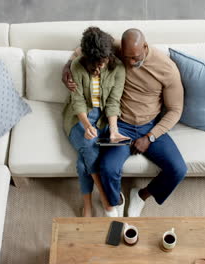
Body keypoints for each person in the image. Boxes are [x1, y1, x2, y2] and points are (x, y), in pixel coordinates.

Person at [62, 28, 187, 217]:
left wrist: (150, 137)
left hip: (150, 126)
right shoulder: (117, 50)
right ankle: (115, 201)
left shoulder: (167, 69)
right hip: (121, 124)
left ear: (145, 46)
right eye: (126, 57)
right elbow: (85, 49)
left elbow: (176, 110)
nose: (130, 63)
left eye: (135, 57)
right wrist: (67, 66)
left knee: (178, 169)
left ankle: (141, 195)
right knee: (107, 167)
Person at [62, 27, 129, 217]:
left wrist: (114, 130)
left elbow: (114, 102)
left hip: (103, 119)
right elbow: (77, 101)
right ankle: (107, 200)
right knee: (89, 145)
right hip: (78, 117)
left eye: (103, 62)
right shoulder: (77, 66)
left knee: (84, 161)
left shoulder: (118, 68)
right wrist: (87, 125)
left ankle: (88, 205)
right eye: (95, 64)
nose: (100, 68)